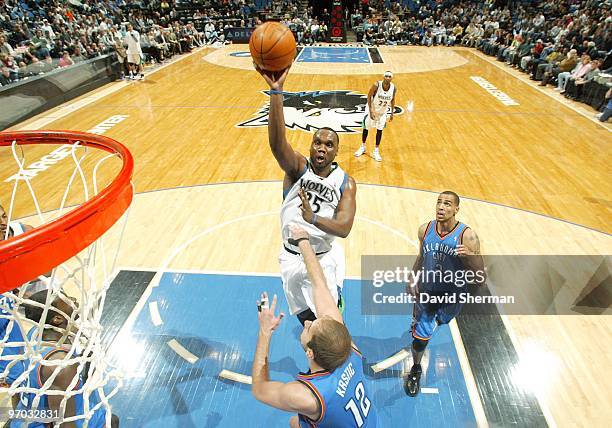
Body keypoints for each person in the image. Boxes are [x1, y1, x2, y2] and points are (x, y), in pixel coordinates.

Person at [255, 66, 357, 326]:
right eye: (317, 142)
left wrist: (313, 219)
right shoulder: (297, 168)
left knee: (330, 326)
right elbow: (277, 144)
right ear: (311, 145)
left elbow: (344, 227)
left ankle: (337, 358)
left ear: (336, 151)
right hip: (291, 257)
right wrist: (276, 93)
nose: (322, 148)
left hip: (322, 260)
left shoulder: (346, 183)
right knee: (307, 323)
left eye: (329, 144)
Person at [252, 225, 377, 427]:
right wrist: (303, 241)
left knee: (295, 421)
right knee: (296, 422)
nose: (308, 322)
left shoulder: (308, 397)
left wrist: (265, 332)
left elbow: (260, 389)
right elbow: (319, 283)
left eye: (310, 328)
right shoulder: (350, 352)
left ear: (310, 353)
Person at [404, 191, 485, 397]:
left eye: (447, 204)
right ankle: (416, 368)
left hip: (453, 295)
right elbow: (422, 256)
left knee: (441, 322)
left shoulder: (468, 236)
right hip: (428, 293)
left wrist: (471, 258)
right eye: (439, 202)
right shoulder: (425, 229)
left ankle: (428, 326)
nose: (441, 207)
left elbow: (480, 277)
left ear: (456, 209)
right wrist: (413, 278)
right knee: (420, 339)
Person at [12, 290, 120, 427]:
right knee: (110, 421)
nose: (73, 299)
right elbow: (64, 424)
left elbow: (15, 389)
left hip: (26, 415)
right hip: (48, 421)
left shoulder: (35, 334)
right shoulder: (60, 365)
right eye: (66, 299)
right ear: (57, 319)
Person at [354, 71, 397, 162]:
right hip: (372, 109)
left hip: (382, 112)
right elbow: (369, 96)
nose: (388, 77)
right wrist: (370, 110)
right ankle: (363, 146)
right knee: (366, 127)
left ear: (391, 78)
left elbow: (393, 100)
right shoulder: (377, 85)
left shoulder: (393, 88)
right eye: (386, 76)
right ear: (383, 77)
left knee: (380, 129)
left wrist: (392, 112)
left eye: (389, 76)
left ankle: (376, 151)